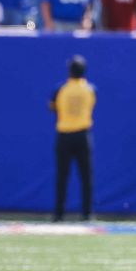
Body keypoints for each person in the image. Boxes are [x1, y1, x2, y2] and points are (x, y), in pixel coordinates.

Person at [50, 55, 95, 222]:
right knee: (86, 176)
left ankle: (59, 213)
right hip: (83, 134)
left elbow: (53, 107)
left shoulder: (60, 89)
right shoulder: (90, 89)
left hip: (64, 134)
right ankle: (87, 213)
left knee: (62, 176)